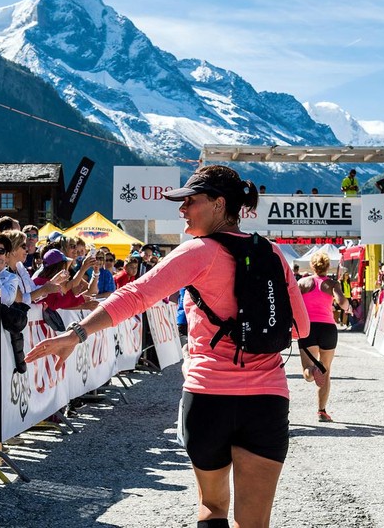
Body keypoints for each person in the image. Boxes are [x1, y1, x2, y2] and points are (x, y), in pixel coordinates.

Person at [26, 165, 310, 528]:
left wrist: (76, 334)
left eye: (190, 201)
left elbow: (136, 295)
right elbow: (301, 327)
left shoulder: (199, 252)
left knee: (212, 508)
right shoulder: (271, 253)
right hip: (267, 398)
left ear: (219, 204)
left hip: (209, 396)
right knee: (255, 522)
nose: (182, 210)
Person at [297, 251, 349, 423]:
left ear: (312, 266)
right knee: (326, 370)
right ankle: (322, 411)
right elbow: (342, 302)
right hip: (328, 328)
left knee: (307, 369)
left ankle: (311, 372)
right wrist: (347, 306)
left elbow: (292, 304)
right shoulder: (332, 284)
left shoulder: (302, 283)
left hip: (307, 327)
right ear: (328, 267)